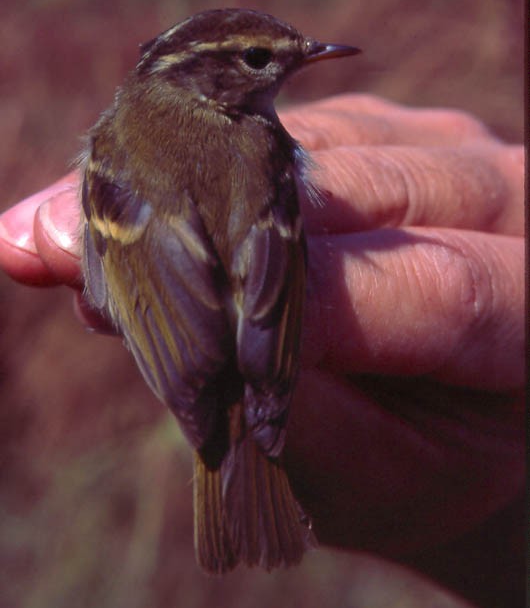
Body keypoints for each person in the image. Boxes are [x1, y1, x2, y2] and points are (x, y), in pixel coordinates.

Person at [0, 94, 524, 605]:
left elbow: (142, 282)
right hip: (241, 340)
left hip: (189, 335)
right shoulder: (245, 144)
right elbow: (275, 260)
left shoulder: (128, 141)